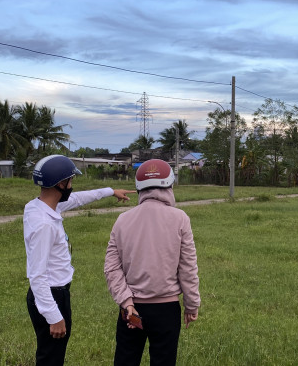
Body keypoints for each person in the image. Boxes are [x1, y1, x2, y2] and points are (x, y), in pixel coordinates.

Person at [24, 154, 136, 366]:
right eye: (70, 181)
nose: (71, 186)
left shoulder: (37, 206)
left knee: (51, 354)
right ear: (60, 184)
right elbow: (37, 275)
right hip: (51, 295)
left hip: (52, 293)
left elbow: (77, 199)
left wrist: (110, 191)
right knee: (51, 358)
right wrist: (54, 316)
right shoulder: (44, 225)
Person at [104, 158, 200, 366]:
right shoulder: (180, 218)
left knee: (126, 360)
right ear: (169, 186)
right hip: (167, 310)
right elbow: (188, 267)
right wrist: (191, 305)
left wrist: (126, 302)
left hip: (131, 310)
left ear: (139, 188)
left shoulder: (122, 220)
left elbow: (111, 268)